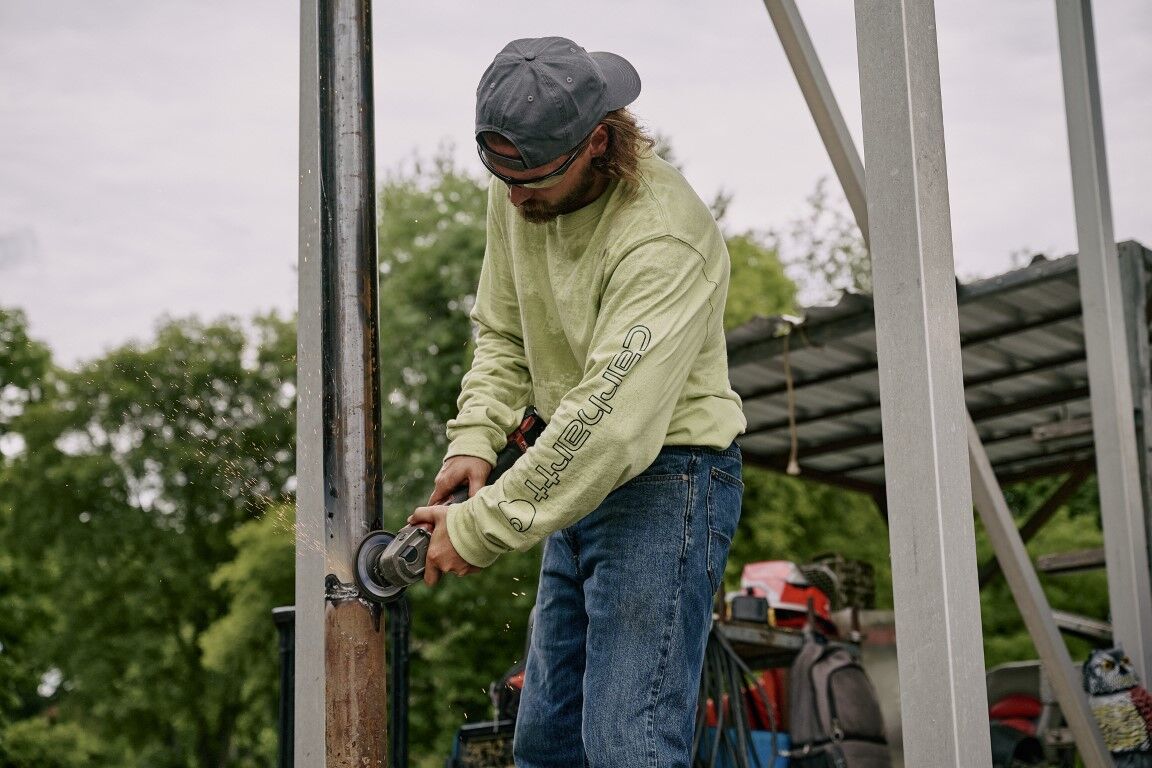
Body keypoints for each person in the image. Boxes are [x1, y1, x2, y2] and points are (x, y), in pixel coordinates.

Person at [409, 35, 746, 768]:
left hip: (667, 479)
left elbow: (611, 427)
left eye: (533, 177)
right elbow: (502, 329)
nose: (516, 195)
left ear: (598, 140)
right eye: (502, 175)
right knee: (546, 742)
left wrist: (478, 528)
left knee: (628, 745)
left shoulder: (664, 236)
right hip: (572, 469)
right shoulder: (518, 187)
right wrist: (474, 438)